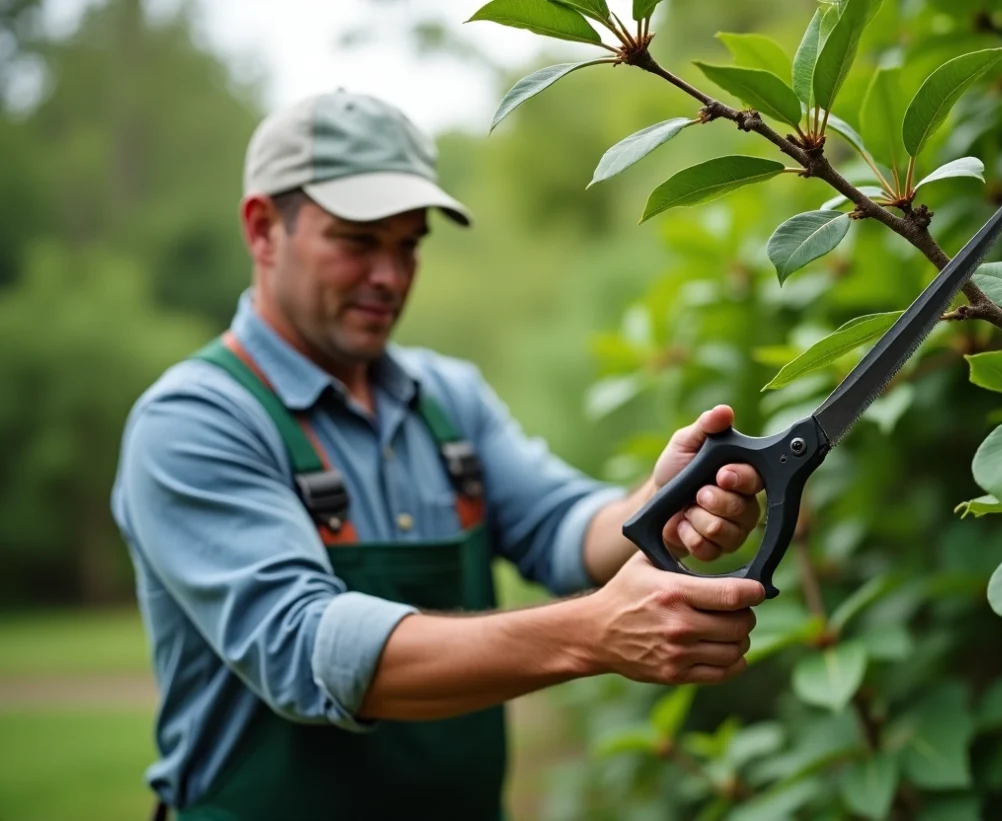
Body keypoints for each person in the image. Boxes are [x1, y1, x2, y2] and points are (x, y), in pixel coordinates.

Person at [111, 89, 766, 821]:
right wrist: (590, 634)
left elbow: (558, 525)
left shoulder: (447, 398)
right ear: (264, 229)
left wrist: (660, 501)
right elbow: (308, 645)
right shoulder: (194, 421)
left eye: (408, 243)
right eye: (358, 241)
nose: (390, 275)